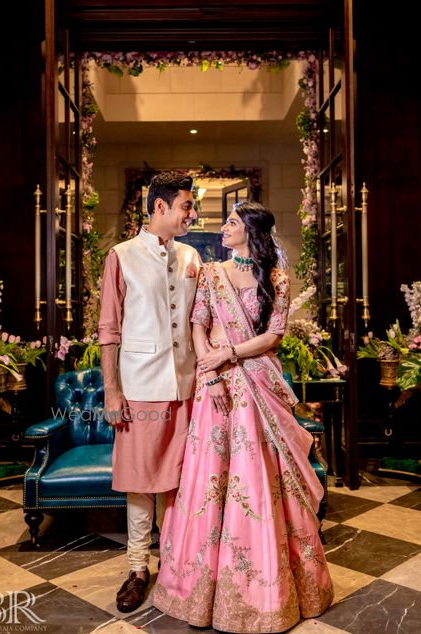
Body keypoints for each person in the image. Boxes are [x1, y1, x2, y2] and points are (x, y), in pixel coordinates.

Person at [153, 201, 334, 633]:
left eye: (232, 223)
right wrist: (211, 374)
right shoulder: (213, 273)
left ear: (251, 230)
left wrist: (230, 353)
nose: (224, 229)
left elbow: (274, 334)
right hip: (216, 387)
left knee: (257, 479)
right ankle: (198, 590)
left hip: (256, 386)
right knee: (210, 477)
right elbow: (197, 324)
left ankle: (267, 591)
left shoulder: (277, 278)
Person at [98, 171, 200, 613]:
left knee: (180, 482)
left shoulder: (194, 256)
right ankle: (138, 567)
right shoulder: (121, 256)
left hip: (188, 385)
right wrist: (112, 392)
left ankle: (175, 565)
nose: (191, 214)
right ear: (159, 207)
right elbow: (108, 330)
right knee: (141, 483)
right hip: (140, 386)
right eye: (186, 206)